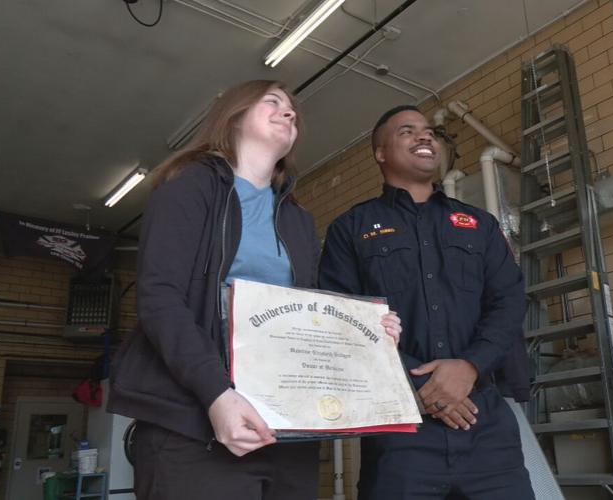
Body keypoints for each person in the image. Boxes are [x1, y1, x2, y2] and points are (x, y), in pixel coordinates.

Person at [107, 80, 401, 500]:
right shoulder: (190, 185)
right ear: (234, 116)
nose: (289, 112)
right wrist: (216, 395)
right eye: (272, 101)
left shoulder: (298, 219)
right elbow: (160, 299)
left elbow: (309, 313)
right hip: (192, 421)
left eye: (292, 109)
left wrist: (367, 332)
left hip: (284, 426)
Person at [318, 105, 534, 499]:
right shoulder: (351, 228)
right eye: (407, 131)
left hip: (484, 424)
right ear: (380, 153)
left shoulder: (480, 225)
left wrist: (470, 366)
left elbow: (509, 301)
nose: (425, 136)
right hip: (399, 427)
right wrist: (426, 386)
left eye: (430, 132)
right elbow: (341, 318)